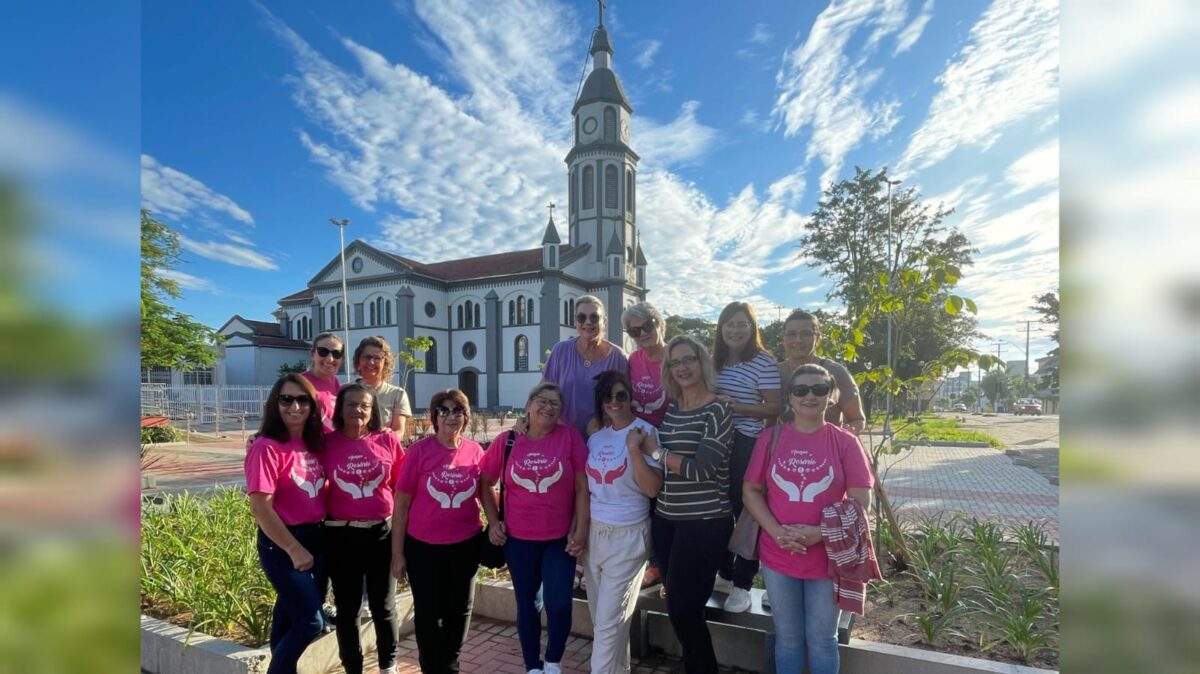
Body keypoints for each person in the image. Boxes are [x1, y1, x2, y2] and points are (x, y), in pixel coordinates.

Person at [742, 364, 874, 674]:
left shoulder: (845, 442)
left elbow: (860, 502)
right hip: (779, 555)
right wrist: (776, 533)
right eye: (801, 390)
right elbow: (750, 489)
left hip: (826, 559)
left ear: (831, 397)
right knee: (787, 638)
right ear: (790, 397)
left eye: (819, 389)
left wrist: (820, 533)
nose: (810, 396)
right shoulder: (770, 438)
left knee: (822, 639)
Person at [481, 383, 589, 674]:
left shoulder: (569, 438)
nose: (549, 407)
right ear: (528, 405)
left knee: (559, 605)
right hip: (518, 541)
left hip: (559, 541)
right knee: (527, 604)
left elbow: (582, 487)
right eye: (542, 400)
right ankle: (533, 665)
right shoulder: (507, 441)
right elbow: (485, 482)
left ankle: (553, 661)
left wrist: (580, 529)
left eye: (555, 403)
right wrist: (493, 521)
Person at [652, 335, 734, 674]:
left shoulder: (718, 409)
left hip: (703, 523)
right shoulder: (672, 408)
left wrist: (657, 453)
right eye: (675, 362)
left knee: (684, 609)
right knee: (679, 605)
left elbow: (702, 469)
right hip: (666, 520)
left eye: (689, 359)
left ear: (702, 363)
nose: (682, 367)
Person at [392, 389, 484, 674]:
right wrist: (397, 554)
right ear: (434, 416)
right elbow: (402, 504)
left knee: (460, 610)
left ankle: (451, 665)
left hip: (465, 545)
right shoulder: (419, 452)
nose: (450, 416)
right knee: (428, 614)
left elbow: (488, 494)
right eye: (443, 410)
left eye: (457, 411)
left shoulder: (475, 451)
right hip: (423, 548)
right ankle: (431, 667)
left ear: (465, 417)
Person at [244, 374, 328, 674]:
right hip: (283, 543)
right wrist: (294, 549)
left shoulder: (314, 443)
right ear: (275, 404)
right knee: (310, 623)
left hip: (317, 538)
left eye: (302, 399)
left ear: (312, 405)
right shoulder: (266, 447)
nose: (295, 406)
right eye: (286, 399)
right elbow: (260, 507)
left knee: (288, 620)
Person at [321, 383, 406, 674]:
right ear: (339, 409)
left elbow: (401, 486)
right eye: (350, 404)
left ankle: (388, 666)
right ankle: (353, 668)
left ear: (373, 411)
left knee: (384, 607)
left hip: (381, 533)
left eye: (364, 405)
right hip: (341, 534)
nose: (357, 410)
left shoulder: (387, 440)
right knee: (347, 610)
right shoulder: (327, 443)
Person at [583, 370, 663, 674]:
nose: (614, 402)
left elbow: (653, 488)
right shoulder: (596, 437)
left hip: (629, 535)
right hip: (595, 536)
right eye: (608, 396)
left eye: (621, 395)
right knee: (607, 622)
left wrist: (634, 449)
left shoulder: (647, 433)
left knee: (607, 625)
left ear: (631, 398)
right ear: (601, 402)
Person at [711, 302, 781, 613]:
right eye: (729, 323)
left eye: (742, 324)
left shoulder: (764, 362)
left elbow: (774, 408)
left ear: (753, 328)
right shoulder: (715, 361)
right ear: (721, 328)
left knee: (747, 514)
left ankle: (743, 583)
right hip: (716, 442)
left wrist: (736, 406)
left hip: (747, 443)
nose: (735, 330)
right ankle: (725, 574)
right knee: (718, 512)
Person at [621, 301, 669, 588]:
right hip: (641, 438)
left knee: (665, 503)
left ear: (659, 323)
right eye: (634, 330)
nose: (642, 334)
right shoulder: (633, 361)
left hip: (671, 437)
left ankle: (662, 565)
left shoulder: (675, 355)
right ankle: (651, 562)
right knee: (645, 499)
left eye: (647, 326)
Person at [542, 294, 629, 438]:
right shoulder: (560, 350)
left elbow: (625, 399)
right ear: (575, 321)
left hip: (603, 437)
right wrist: (528, 416)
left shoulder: (617, 356)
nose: (588, 322)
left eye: (594, 317)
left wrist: (605, 418)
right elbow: (543, 390)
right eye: (581, 318)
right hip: (563, 437)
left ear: (604, 321)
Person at [778, 310, 866, 435]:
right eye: (791, 334)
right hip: (789, 450)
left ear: (817, 338)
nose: (798, 340)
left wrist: (845, 436)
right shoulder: (773, 373)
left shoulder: (835, 372)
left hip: (829, 449)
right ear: (784, 338)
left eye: (806, 334)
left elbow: (857, 419)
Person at [353, 335, 413, 438]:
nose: (371, 362)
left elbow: (399, 432)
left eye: (377, 358)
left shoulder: (397, 394)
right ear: (358, 360)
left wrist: (382, 439)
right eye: (367, 357)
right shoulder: (346, 392)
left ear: (385, 363)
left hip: (383, 450)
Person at [302, 332, 346, 432]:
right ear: (312, 355)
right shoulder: (299, 383)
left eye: (336, 354)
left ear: (342, 359)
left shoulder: (335, 383)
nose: (330, 359)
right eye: (323, 352)